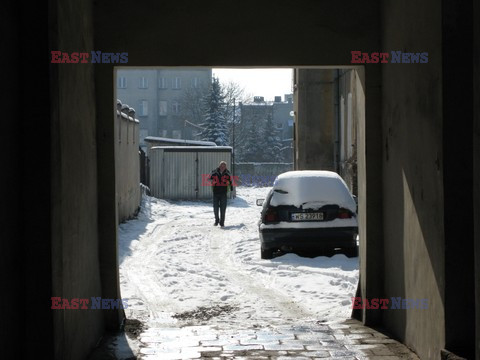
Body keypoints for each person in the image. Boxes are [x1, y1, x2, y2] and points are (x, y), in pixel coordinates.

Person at [210, 161, 234, 227]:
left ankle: (222, 222)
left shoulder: (228, 173)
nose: (222, 167)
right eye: (221, 166)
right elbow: (210, 178)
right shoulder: (214, 172)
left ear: (225, 167)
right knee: (215, 208)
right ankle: (216, 220)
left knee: (223, 209)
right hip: (216, 193)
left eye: (224, 166)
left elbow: (231, 182)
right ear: (219, 166)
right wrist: (213, 180)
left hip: (223, 193)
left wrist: (232, 190)